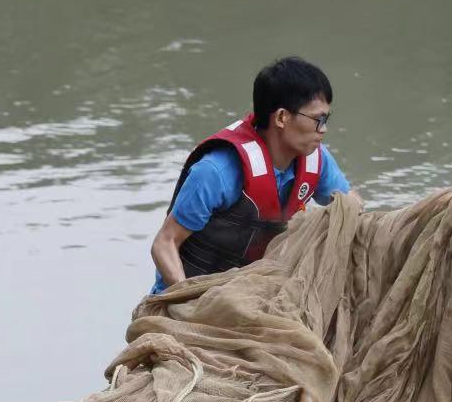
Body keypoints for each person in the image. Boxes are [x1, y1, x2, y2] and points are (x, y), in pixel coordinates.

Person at [150, 56, 354, 291]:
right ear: (281, 117)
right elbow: (164, 244)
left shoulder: (316, 160)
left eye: (326, 119)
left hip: (253, 296)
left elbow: (349, 206)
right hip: (192, 296)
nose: (324, 129)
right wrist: (188, 297)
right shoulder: (216, 171)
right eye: (318, 120)